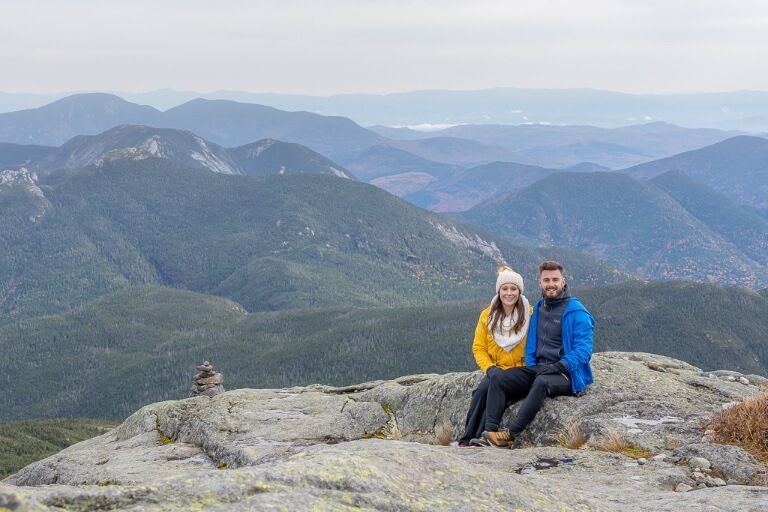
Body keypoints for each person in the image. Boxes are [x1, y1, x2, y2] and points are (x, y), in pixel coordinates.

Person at [480, 260, 594, 448]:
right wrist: (530, 369)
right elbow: (532, 344)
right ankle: (490, 433)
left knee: (542, 382)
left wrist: (559, 366)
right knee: (498, 379)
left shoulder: (577, 312)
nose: (551, 284)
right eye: (546, 280)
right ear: (540, 283)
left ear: (563, 282)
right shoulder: (539, 308)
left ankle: (509, 435)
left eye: (555, 280)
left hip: (566, 373)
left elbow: (584, 351)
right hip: (540, 368)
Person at [458, 266, 532, 447]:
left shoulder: (530, 313)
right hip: (496, 370)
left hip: (521, 371)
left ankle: (484, 436)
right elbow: (479, 348)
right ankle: (469, 438)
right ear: (498, 291)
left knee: (490, 388)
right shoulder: (487, 316)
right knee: (482, 390)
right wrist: (489, 368)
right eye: (505, 289)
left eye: (513, 289)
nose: (509, 293)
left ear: (519, 291)